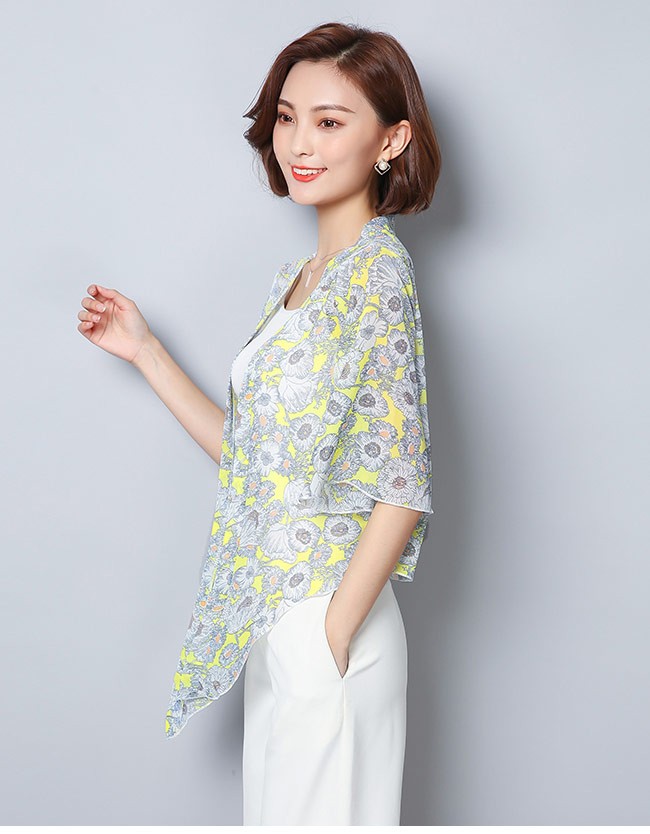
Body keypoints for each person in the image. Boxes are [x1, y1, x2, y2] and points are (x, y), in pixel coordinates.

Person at [77, 20, 441, 826]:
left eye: (330, 121)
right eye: (286, 117)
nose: (299, 143)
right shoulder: (300, 280)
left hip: (329, 620)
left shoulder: (378, 275)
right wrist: (146, 351)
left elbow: (404, 484)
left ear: (391, 140)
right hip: (276, 618)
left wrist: (331, 634)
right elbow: (256, 463)